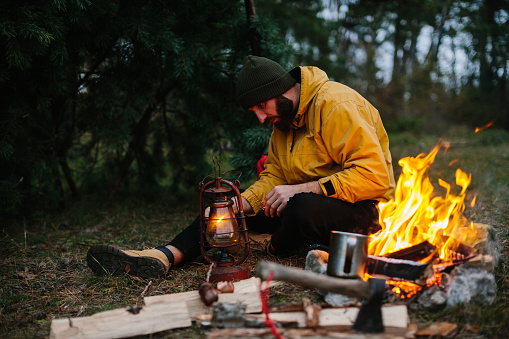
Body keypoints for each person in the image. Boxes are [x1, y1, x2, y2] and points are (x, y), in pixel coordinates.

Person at [87, 55, 395, 279]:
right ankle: (165, 256)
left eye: (262, 107)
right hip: (302, 208)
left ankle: (273, 247)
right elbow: (275, 174)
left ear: (280, 91)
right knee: (223, 209)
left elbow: (375, 177)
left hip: (357, 213)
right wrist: (242, 203)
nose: (260, 118)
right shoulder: (285, 121)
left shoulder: (336, 106)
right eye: (255, 111)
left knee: (300, 205)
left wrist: (303, 189)